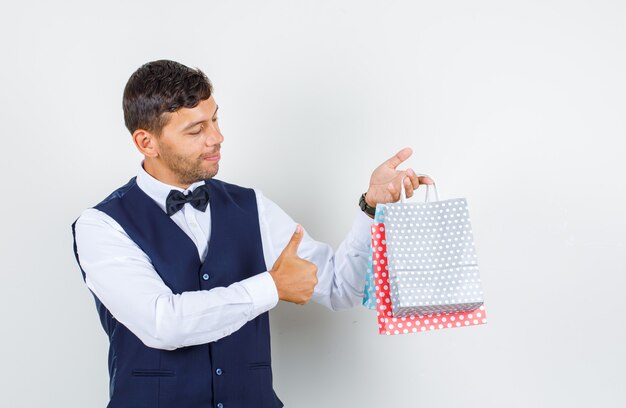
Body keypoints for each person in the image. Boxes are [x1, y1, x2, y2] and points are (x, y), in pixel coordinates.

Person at [71, 59, 432, 408]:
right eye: (196, 130)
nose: (217, 137)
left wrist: (370, 208)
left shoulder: (252, 206)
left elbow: (340, 289)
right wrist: (271, 287)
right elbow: (163, 323)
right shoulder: (102, 225)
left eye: (215, 119)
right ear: (146, 143)